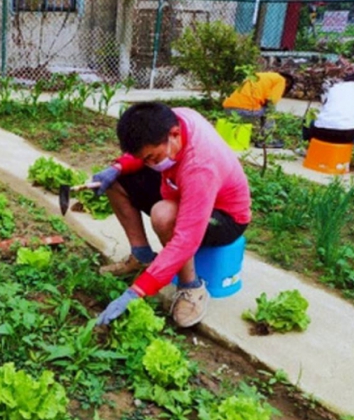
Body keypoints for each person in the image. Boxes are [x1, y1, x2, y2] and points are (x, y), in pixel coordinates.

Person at [93, 102, 251, 328]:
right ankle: (142, 257)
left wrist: (136, 292)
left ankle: (191, 287)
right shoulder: (173, 120)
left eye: (153, 158)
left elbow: (186, 239)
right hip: (179, 188)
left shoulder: (200, 167)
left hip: (225, 217)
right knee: (115, 179)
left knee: (164, 215)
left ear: (174, 135)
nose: (149, 164)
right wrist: (118, 167)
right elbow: (141, 154)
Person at [223, 71, 294, 148]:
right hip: (243, 111)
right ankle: (266, 140)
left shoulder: (261, 75)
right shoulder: (281, 80)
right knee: (270, 111)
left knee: (263, 108)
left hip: (229, 109)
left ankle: (260, 136)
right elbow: (271, 101)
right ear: (288, 83)